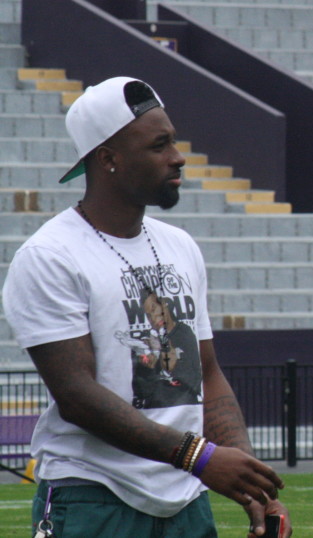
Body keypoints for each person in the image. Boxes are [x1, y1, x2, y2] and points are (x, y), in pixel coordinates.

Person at [2, 76, 292, 537]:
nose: (177, 157)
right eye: (159, 145)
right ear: (109, 159)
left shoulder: (180, 246)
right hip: (93, 497)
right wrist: (201, 457)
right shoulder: (50, 256)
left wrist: (255, 488)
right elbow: (76, 394)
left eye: (173, 141)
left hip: (185, 496)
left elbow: (208, 374)